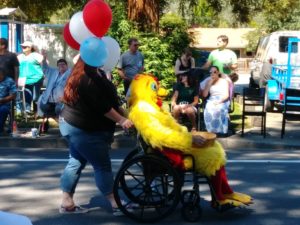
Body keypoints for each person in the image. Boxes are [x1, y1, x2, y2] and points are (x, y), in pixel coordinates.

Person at [59, 55, 133, 215]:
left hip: (72, 125)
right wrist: (122, 120)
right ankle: (114, 202)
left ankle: (66, 202)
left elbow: (110, 100)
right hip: (83, 129)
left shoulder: (91, 73)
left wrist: (125, 115)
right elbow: (103, 106)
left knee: (76, 161)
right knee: (102, 165)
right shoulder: (87, 78)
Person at [38, 52, 71, 118]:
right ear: (57, 66)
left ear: (67, 66)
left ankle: (60, 120)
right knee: (43, 106)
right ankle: (55, 118)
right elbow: (45, 68)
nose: (61, 66)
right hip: (49, 99)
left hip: (62, 100)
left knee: (58, 109)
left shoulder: (70, 73)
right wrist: (44, 59)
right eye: (59, 65)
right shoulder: (53, 71)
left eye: (63, 64)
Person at [200, 66, 230, 135]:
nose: (212, 74)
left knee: (218, 109)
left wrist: (219, 101)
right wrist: (209, 84)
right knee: (209, 109)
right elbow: (204, 95)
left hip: (222, 99)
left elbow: (226, 95)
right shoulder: (208, 81)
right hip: (212, 99)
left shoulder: (224, 81)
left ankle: (219, 130)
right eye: (211, 72)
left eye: (215, 72)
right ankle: (211, 130)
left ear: (218, 72)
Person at [17, 41, 44, 113]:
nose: (23, 47)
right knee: (27, 95)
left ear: (30, 48)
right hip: (25, 80)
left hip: (36, 79)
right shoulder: (19, 57)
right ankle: (27, 110)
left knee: (35, 97)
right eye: (22, 46)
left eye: (25, 46)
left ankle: (38, 111)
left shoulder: (36, 55)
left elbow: (43, 64)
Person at [0, 67, 17, 135]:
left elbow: (13, 95)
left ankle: (0, 129)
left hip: (4, 103)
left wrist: (2, 100)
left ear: (3, 75)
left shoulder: (9, 81)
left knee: (3, 110)